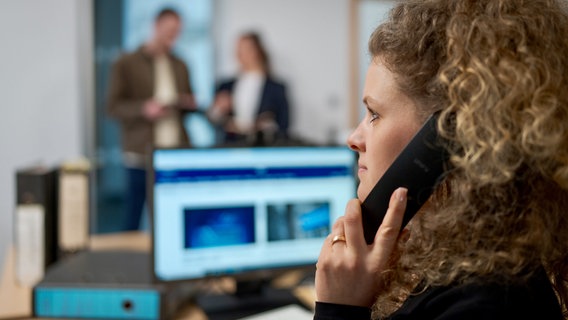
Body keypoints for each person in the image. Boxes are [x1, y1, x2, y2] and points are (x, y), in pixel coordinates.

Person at [314, 0, 568, 319]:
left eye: (374, 114)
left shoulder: (486, 306)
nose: (354, 138)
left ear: (444, 137)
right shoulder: (449, 258)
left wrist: (338, 310)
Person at [107, 8, 196, 231]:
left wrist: (187, 103)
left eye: (176, 32)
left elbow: (187, 104)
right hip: (141, 152)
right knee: (134, 216)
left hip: (175, 151)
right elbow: (112, 107)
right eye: (168, 31)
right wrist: (144, 109)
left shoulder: (180, 64)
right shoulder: (127, 63)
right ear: (156, 27)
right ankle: (129, 264)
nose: (172, 37)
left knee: (171, 217)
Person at [208, 32, 290, 146]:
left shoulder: (275, 88)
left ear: (257, 51)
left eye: (246, 49)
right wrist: (218, 109)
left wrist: (267, 125)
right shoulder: (226, 85)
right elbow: (212, 119)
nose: (240, 53)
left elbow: (284, 124)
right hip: (231, 146)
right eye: (238, 49)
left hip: (263, 147)